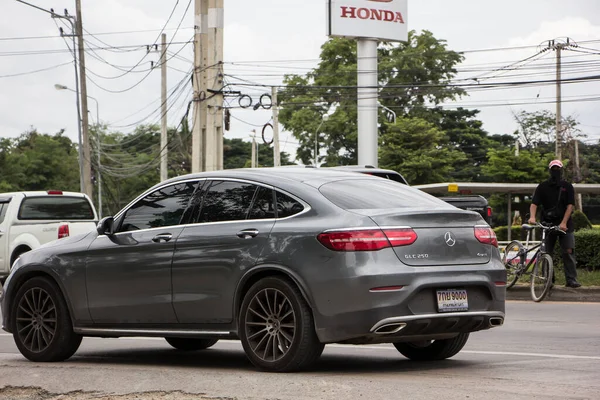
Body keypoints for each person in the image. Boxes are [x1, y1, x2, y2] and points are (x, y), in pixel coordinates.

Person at [528, 159, 581, 288]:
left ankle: (571, 279)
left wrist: (563, 222)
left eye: (558, 169)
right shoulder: (542, 186)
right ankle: (548, 280)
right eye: (553, 169)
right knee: (546, 252)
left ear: (561, 170)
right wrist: (532, 217)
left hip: (565, 225)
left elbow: (570, 206)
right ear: (550, 170)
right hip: (547, 224)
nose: (555, 171)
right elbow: (534, 204)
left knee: (568, 251)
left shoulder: (567, 186)